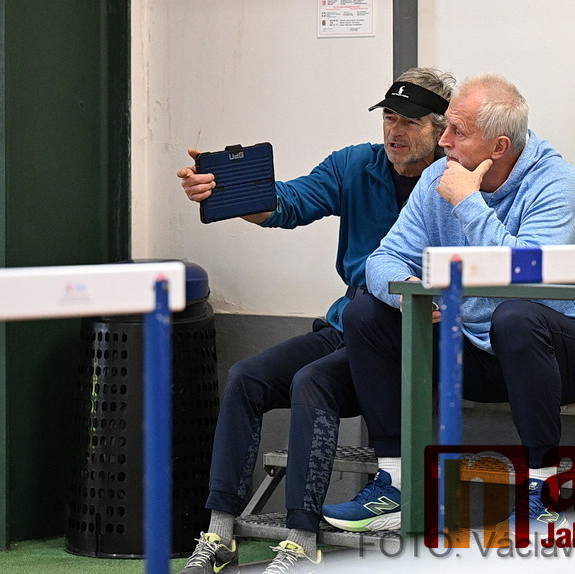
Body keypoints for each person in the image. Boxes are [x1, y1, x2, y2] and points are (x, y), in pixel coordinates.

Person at [175, 67, 456, 574]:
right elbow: (288, 202)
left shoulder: (457, 180)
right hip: (350, 322)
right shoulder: (355, 164)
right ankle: (220, 531)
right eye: (389, 117)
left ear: (441, 129)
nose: (394, 131)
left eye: (410, 121)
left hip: (412, 336)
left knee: (312, 382)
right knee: (245, 378)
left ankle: (301, 539)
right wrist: (225, 189)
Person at [321, 73, 575, 541]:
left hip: (567, 354)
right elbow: (383, 258)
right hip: (476, 350)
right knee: (366, 311)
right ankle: (396, 484)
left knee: (514, 316)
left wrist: (468, 203)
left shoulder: (557, 182)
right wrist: (407, 292)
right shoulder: (440, 175)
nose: (444, 141)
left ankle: (542, 493)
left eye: (457, 131)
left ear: (499, 147)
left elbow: (525, 276)